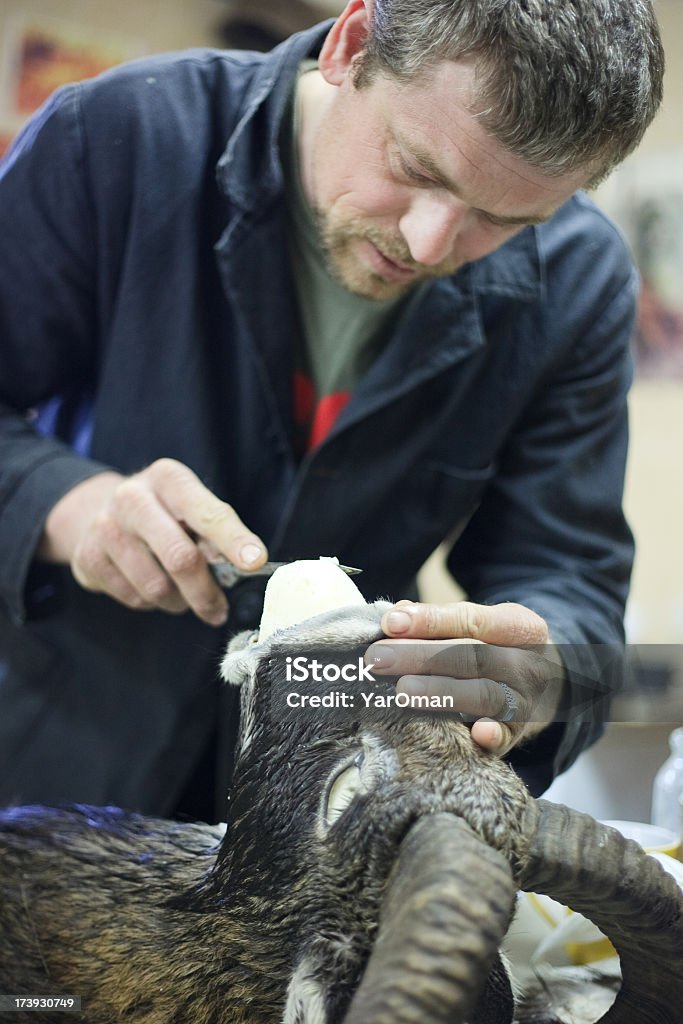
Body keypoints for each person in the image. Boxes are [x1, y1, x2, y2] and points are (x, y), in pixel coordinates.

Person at [0, 0, 664, 822]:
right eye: (417, 169)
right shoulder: (115, 135)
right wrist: (69, 506)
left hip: (332, 805)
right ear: (351, 45)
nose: (429, 246)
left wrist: (537, 671)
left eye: (500, 221)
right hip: (53, 769)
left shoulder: (578, 277)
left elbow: (570, 582)